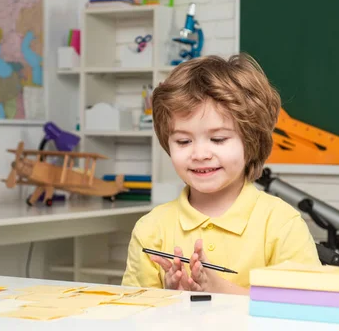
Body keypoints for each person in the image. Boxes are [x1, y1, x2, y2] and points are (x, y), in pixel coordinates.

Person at [121, 53, 320, 295]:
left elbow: (306, 309)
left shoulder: (281, 224)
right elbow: (132, 314)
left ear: (251, 141)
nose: (200, 153)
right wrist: (167, 295)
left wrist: (220, 289)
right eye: (183, 141)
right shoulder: (150, 229)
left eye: (218, 139)